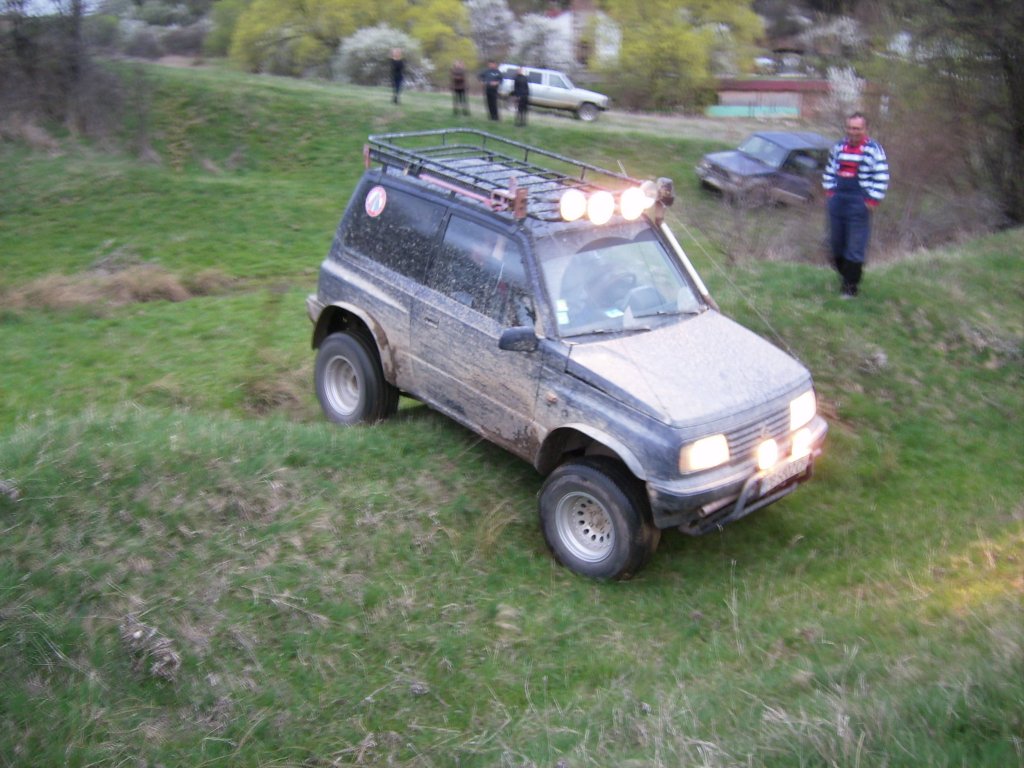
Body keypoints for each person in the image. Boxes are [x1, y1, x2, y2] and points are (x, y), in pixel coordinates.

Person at [822, 112, 889, 297]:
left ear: (865, 129)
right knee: (836, 244)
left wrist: (872, 201)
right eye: (850, 128)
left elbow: (881, 176)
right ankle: (844, 275)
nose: (853, 132)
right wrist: (830, 192)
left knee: (855, 246)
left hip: (859, 202)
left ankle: (850, 288)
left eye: (857, 129)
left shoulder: (874, 150)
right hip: (838, 201)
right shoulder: (838, 147)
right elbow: (829, 170)